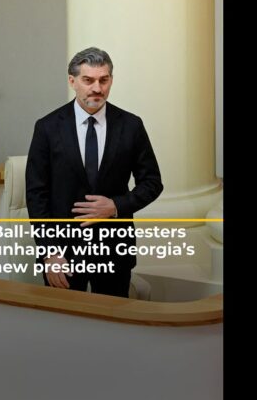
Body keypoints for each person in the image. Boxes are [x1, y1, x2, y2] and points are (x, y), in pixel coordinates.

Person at [25, 47, 163, 297]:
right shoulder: (47, 127)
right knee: (65, 319)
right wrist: (49, 252)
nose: (97, 88)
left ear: (111, 80)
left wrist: (116, 206)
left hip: (114, 250)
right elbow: (37, 194)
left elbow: (152, 182)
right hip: (63, 253)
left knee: (113, 319)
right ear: (72, 81)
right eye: (88, 80)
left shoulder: (131, 125)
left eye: (104, 80)